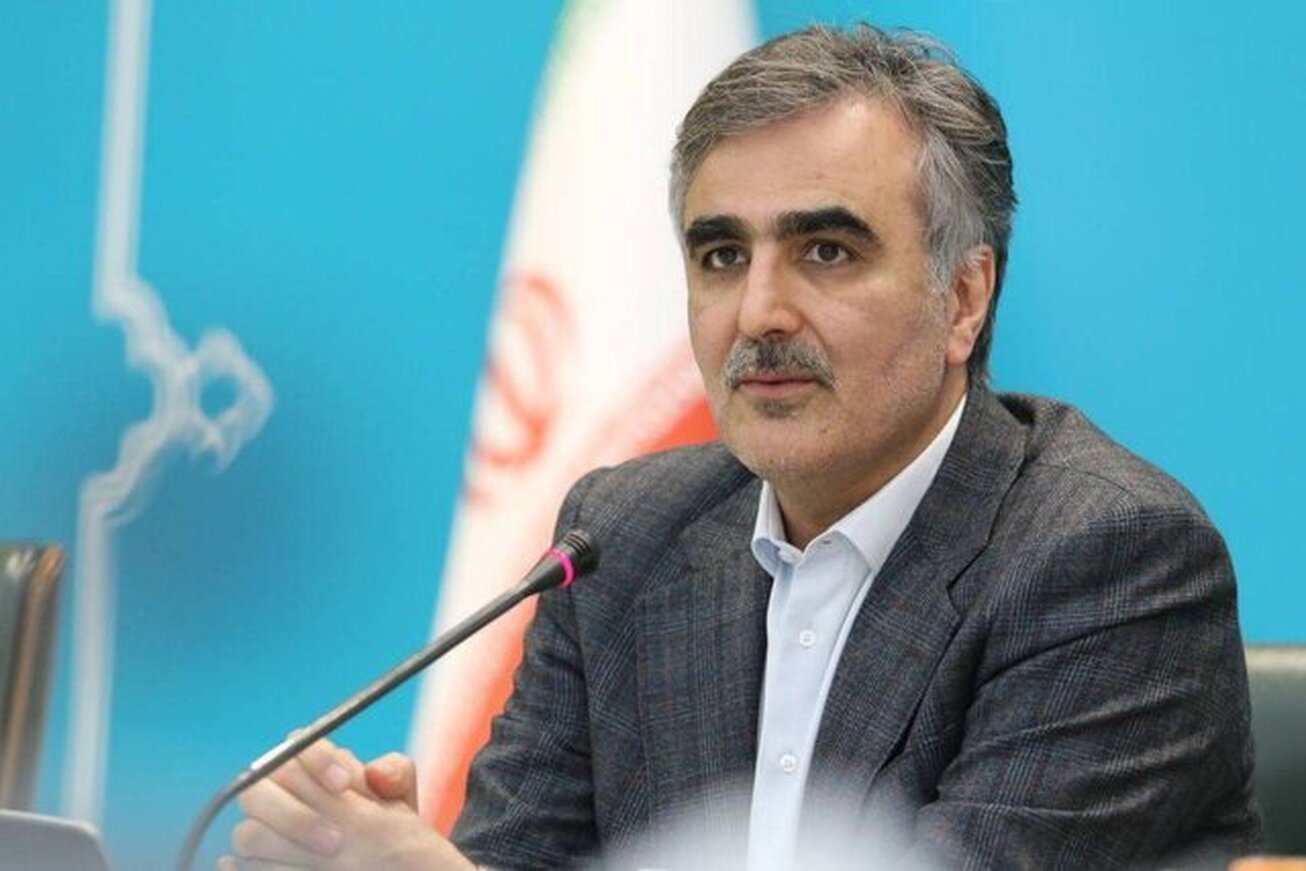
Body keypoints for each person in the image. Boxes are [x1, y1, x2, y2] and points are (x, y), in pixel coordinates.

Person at [220, 24, 1258, 870]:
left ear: (962, 298)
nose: (758, 312)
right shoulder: (621, 536)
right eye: (721, 255)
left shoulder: (1107, 559)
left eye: (825, 250)